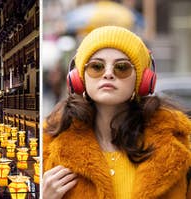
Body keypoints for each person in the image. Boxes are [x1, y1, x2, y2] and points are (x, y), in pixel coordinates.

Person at [42, 26, 191, 199]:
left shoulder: (178, 144)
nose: (108, 74)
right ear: (79, 78)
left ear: (143, 80)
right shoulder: (50, 142)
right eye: (96, 67)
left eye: (122, 67)